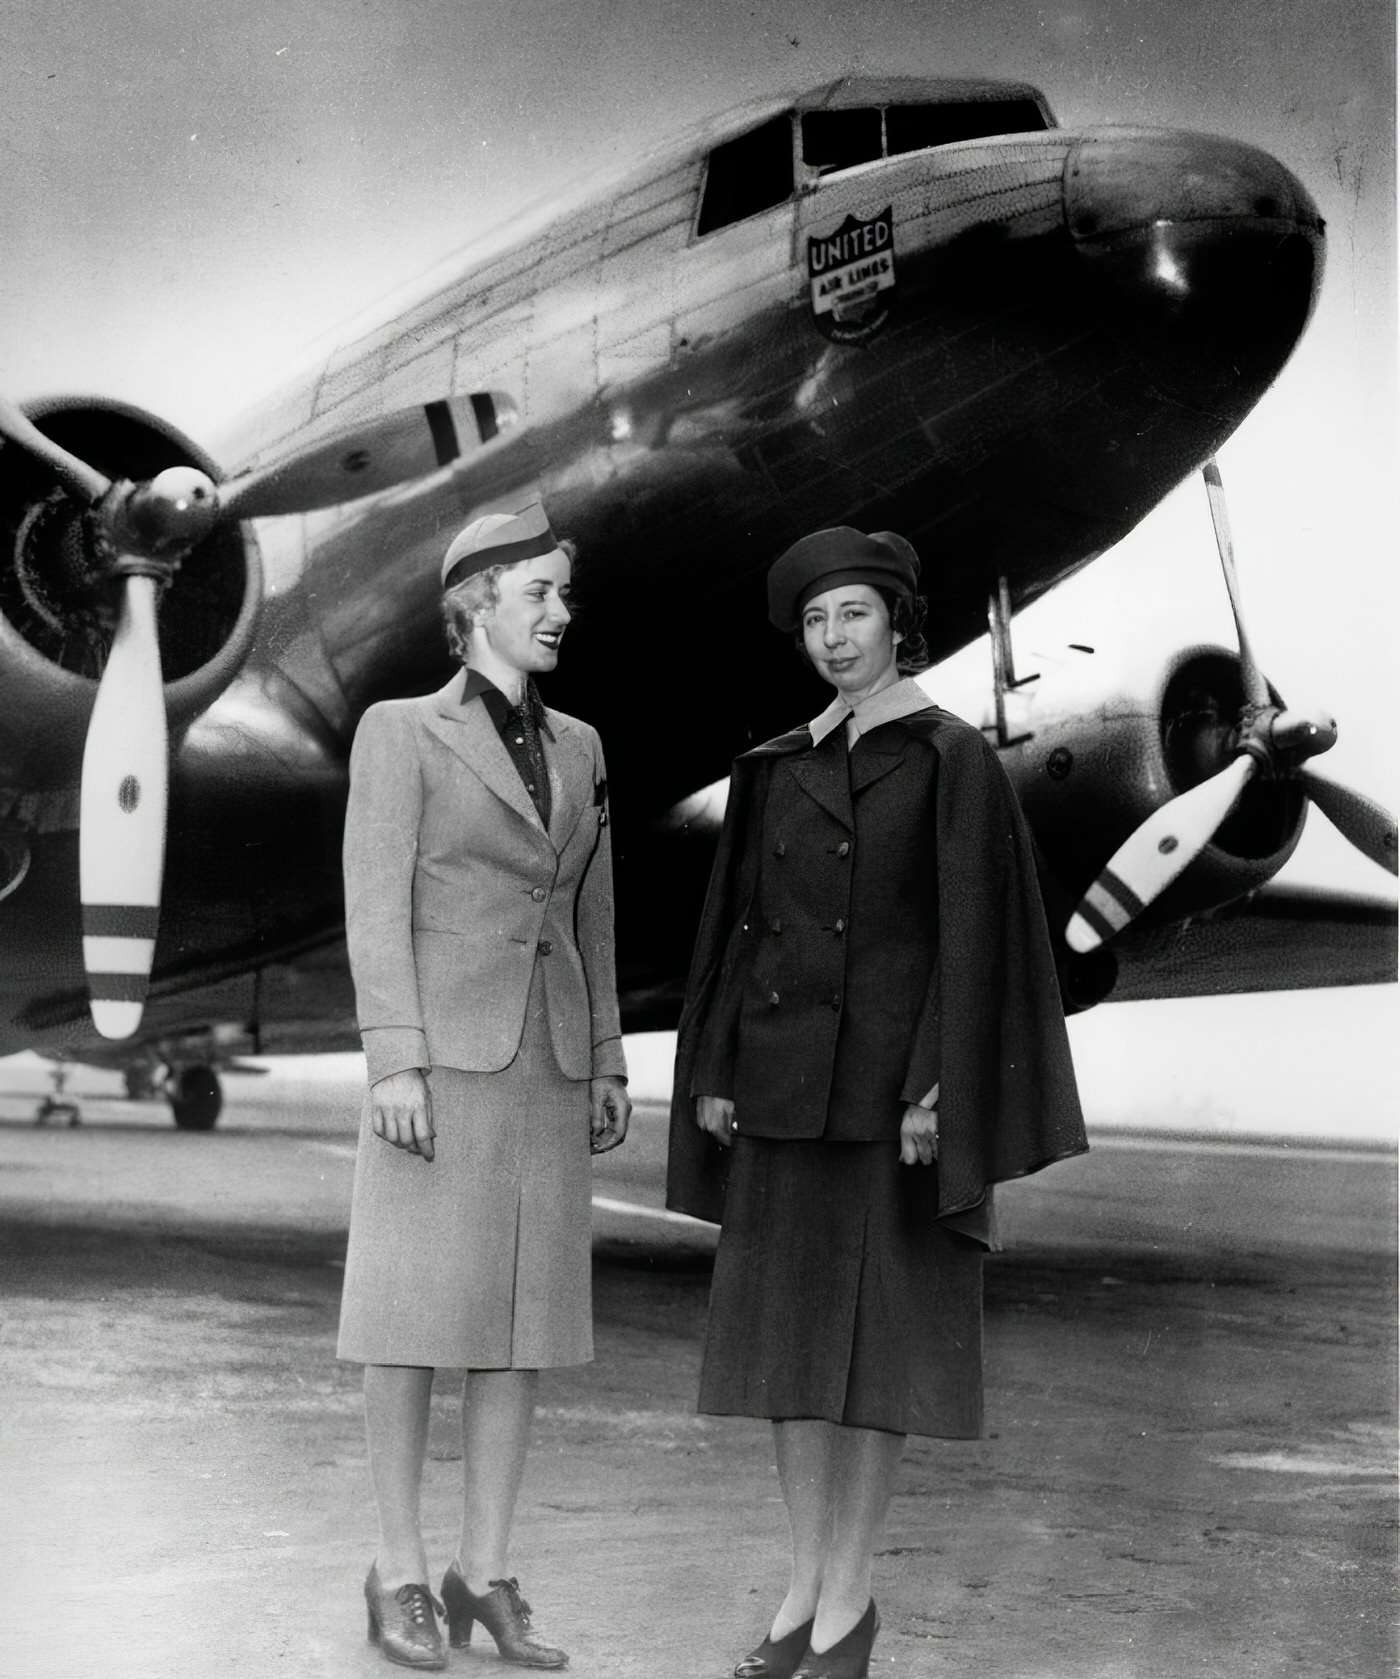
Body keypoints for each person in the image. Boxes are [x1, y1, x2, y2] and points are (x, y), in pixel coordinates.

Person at [667, 526, 1086, 1679]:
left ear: (897, 622)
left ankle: (848, 1596)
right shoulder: (771, 765)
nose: (832, 637)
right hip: (780, 1091)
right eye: (813, 620)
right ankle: (802, 1583)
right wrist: (709, 1067)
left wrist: (937, 1081)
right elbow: (733, 930)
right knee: (786, 1358)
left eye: (852, 613)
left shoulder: (950, 756)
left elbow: (978, 932)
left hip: (891, 1104)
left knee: (877, 1357)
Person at [337, 502, 631, 1671]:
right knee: (408, 1327)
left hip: (548, 1064)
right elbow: (374, 897)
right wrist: (392, 1054)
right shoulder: (399, 731)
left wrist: (605, 1051)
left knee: (522, 1331)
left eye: (563, 594)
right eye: (539, 593)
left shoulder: (583, 747)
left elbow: (589, 913)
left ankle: (484, 1568)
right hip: (440, 1068)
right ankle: (399, 1569)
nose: (560, 611)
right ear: (474, 606)